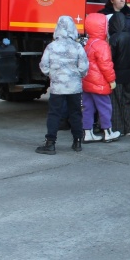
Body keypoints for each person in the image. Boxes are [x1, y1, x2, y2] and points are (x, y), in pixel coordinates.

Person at [36, 16, 89, 155]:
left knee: (54, 114)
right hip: (74, 87)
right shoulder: (78, 46)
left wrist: (52, 75)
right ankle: (77, 141)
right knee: (76, 114)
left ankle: (50, 144)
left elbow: (43, 65)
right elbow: (84, 67)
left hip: (57, 87)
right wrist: (77, 75)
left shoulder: (51, 46)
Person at [81, 13, 121, 143]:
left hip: (87, 82)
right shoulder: (102, 45)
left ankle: (88, 133)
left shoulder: (88, 43)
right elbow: (106, 65)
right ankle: (108, 132)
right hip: (99, 83)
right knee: (105, 107)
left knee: (88, 108)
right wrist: (112, 80)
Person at [107, 12, 130, 136]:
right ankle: (128, 127)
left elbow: (110, 58)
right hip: (128, 74)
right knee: (126, 102)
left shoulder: (114, 38)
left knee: (115, 102)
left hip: (116, 74)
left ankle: (118, 128)